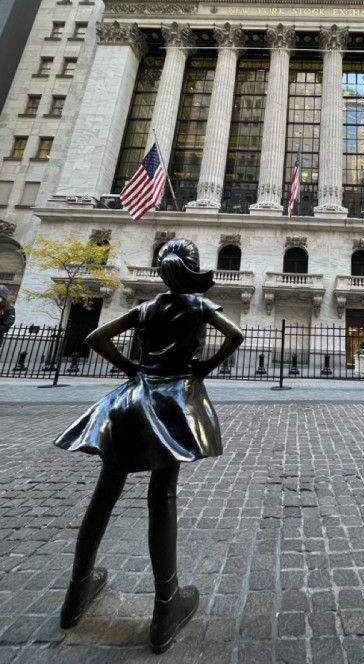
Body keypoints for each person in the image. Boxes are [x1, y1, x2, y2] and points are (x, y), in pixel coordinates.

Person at [54, 239, 244, 654]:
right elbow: (236, 335)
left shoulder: (148, 307)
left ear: (161, 270)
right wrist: (203, 370)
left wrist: (132, 369)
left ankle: (75, 596)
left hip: (131, 399)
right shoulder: (197, 305)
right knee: (163, 496)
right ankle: (165, 608)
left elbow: (96, 338)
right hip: (171, 400)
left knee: (105, 493)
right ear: (192, 268)